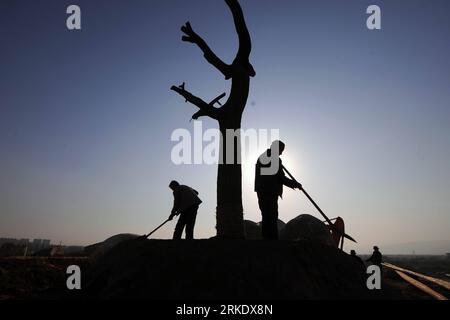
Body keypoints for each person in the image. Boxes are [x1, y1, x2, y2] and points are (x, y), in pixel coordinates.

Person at [254, 140, 302, 239]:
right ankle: (272, 240)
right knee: (271, 216)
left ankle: (268, 239)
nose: (281, 153)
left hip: (262, 191)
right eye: (281, 150)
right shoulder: (273, 158)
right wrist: (295, 184)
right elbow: (280, 177)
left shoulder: (264, 157)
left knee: (267, 216)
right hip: (269, 191)